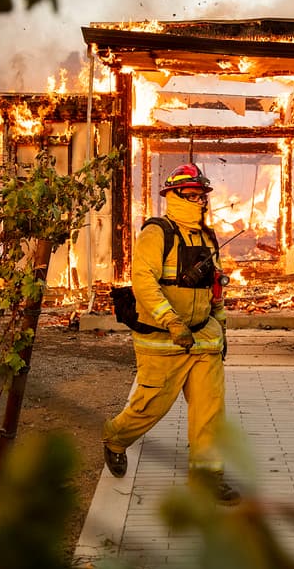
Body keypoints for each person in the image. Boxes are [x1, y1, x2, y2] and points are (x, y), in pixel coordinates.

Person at [101, 162, 239, 504]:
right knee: (150, 406)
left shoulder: (207, 237)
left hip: (202, 338)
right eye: (190, 195)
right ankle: (115, 438)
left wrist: (220, 326)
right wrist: (171, 321)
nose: (198, 202)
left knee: (209, 411)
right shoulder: (156, 233)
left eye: (201, 196)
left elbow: (216, 286)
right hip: (161, 341)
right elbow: (144, 281)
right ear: (173, 196)